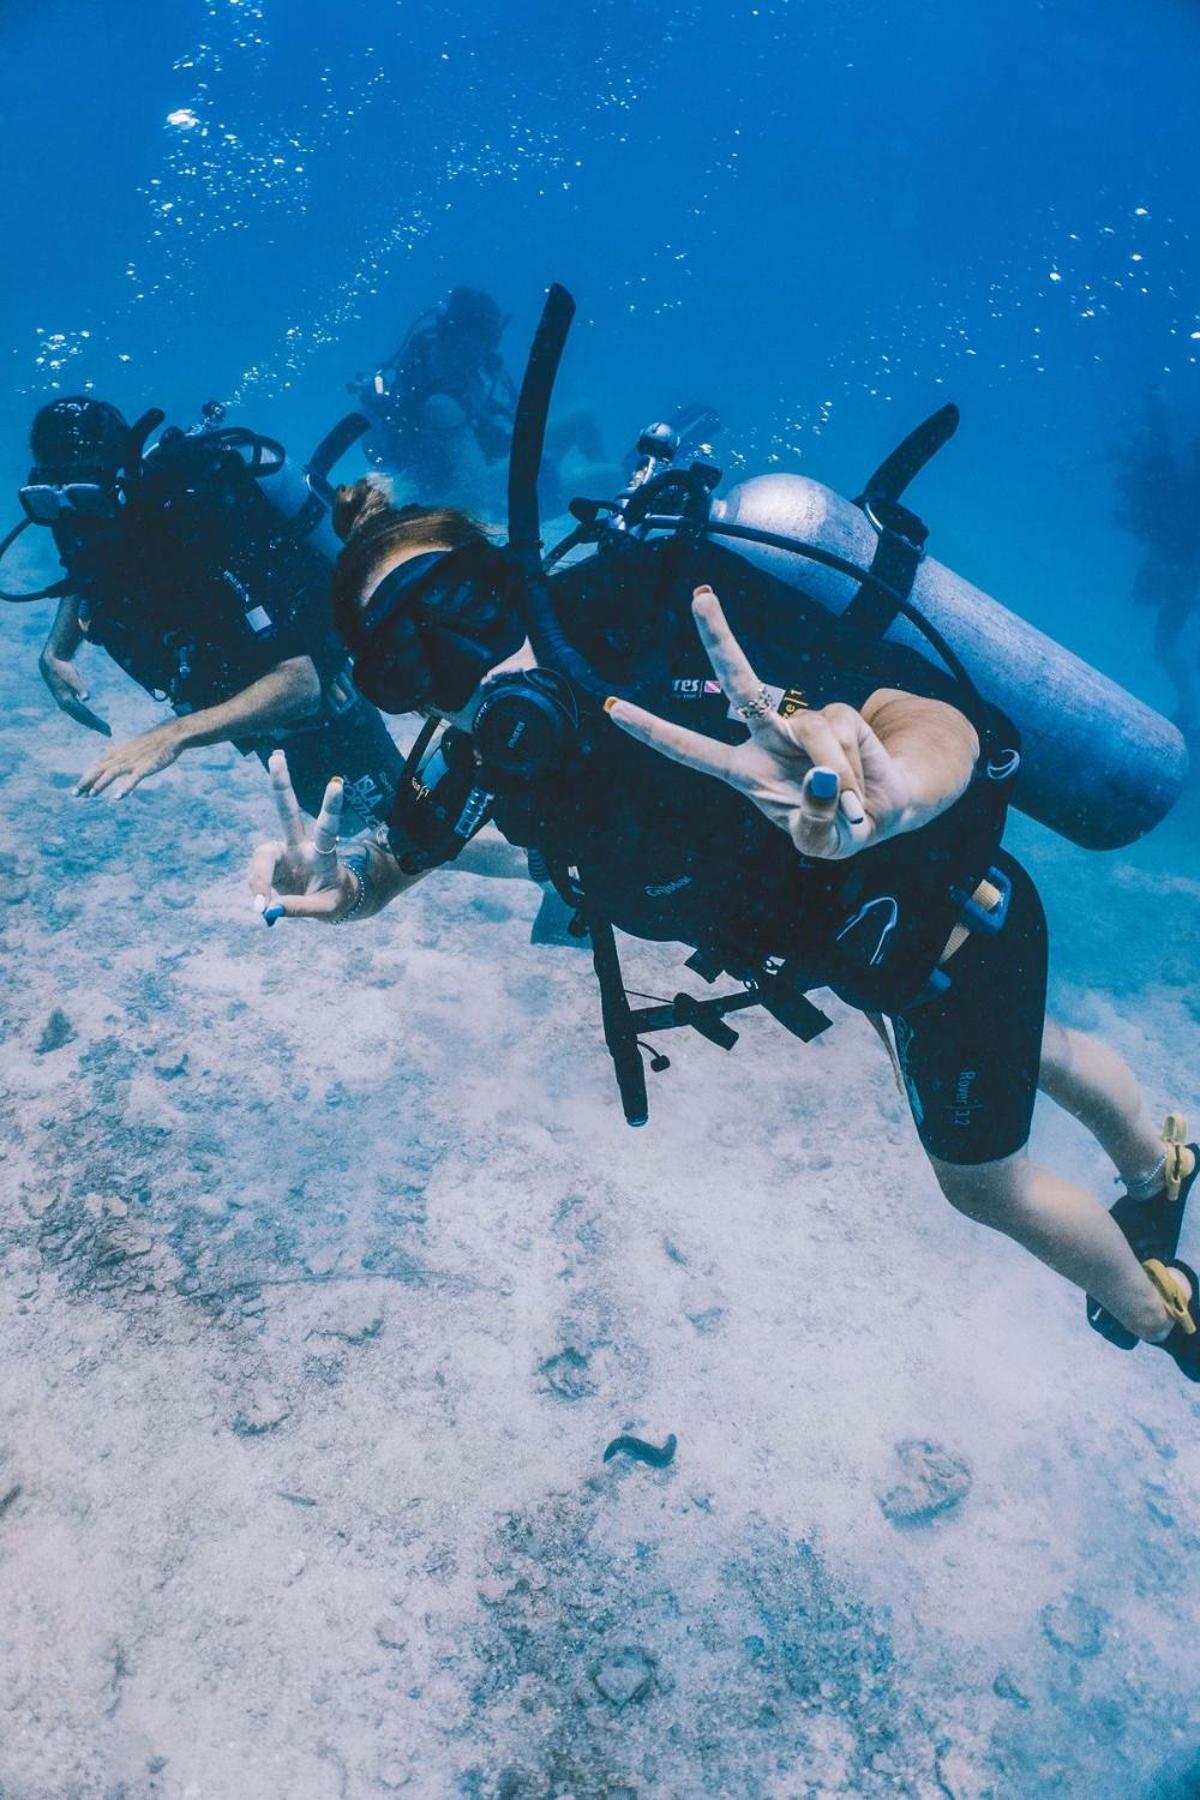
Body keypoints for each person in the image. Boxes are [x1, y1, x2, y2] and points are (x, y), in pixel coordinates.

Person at [248, 473, 1200, 1384]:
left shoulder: (658, 620)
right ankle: (1161, 1170)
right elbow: (395, 862)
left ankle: (1166, 1317)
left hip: (954, 931)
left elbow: (883, 709)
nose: (460, 662)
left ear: (515, 578)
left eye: (465, 605)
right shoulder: (480, 758)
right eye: (406, 657)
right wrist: (343, 885)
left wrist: (899, 783)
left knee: (982, 1183)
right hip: (880, 963)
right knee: (1038, 1047)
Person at [23, 395, 405, 828]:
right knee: (342, 820)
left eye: (85, 498)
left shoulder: (197, 528)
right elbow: (86, 573)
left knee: (400, 828)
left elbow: (300, 684)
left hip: (311, 702)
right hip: (242, 706)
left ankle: (472, 761)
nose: (72, 518)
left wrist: (173, 736)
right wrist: (56, 651)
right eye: (50, 500)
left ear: (121, 479)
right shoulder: (81, 513)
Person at [354, 287, 608, 511]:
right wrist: (535, 470)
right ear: (457, 333)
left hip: (489, 466)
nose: (490, 347)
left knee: (584, 417)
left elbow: (504, 425)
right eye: (485, 336)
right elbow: (476, 487)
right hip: (463, 498)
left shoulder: (464, 370)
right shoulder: (439, 403)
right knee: (608, 477)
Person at [1113, 397, 1200, 739]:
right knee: (1162, 646)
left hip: (1180, 568)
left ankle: (1189, 707)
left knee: (1163, 645)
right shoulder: (1181, 486)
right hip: (1177, 566)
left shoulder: (1183, 487)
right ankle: (1189, 707)